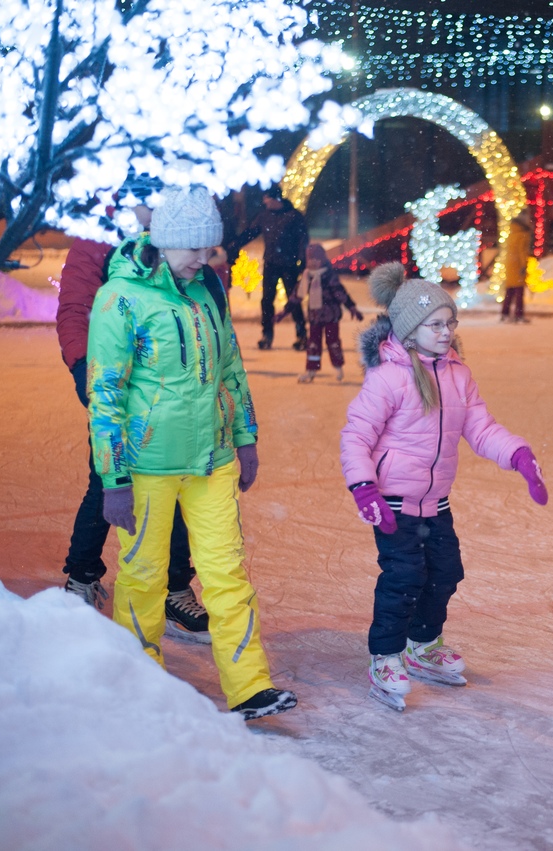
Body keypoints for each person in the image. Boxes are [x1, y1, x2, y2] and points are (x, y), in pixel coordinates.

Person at [87, 185, 296, 721]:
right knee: (143, 577)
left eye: (210, 249)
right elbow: (105, 392)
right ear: (166, 241)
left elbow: (230, 367)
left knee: (228, 574)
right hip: (148, 465)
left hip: (212, 460)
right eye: (196, 250)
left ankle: (249, 686)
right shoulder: (121, 298)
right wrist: (114, 480)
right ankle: (140, 689)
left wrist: (245, 437)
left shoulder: (206, 291)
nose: (206, 260)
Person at [340, 262, 549, 711]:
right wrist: (364, 487)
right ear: (411, 330)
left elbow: (481, 428)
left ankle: (422, 643)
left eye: (450, 322)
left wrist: (517, 455)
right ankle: (385, 655)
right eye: (436, 324)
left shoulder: (458, 375)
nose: (447, 331)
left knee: (446, 572)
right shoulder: (389, 377)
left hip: (435, 502)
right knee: (403, 578)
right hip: (394, 500)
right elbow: (357, 435)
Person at [55, 175, 210, 642]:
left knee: (178, 481)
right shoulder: (97, 236)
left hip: (174, 387)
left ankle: (174, 587)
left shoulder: (176, 236)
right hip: (116, 380)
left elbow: (196, 302)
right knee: (107, 475)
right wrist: (87, 370)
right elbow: (73, 309)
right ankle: (81, 576)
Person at [235, 185, 308, 350]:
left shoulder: (294, 216)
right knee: (267, 301)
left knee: (293, 300)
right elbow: (251, 232)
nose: (265, 202)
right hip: (271, 264)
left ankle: (301, 334)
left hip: (290, 265)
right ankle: (266, 334)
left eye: (267, 199)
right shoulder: (264, 216)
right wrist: (235, 245)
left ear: (276, 199)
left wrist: (303, 264)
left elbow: (303, 240)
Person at [292, 242, 363, 383]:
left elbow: (340, 293)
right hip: (315, 317)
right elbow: (297, 295)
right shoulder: (307, 277)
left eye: (316, 259)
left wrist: (352, 307)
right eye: (310, 259)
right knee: (313, 343)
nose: (313, 263)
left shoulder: (329, 276)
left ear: (322, 260)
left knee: (333, 342)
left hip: (331, 316)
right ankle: (311, 370)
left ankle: (338, 368)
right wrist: (284, 311)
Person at [499, 209, 533, 323]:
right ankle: (519, 315)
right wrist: (524, 266)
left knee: (510, 291)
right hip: (518, 265)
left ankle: (505, 314)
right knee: (519, 292)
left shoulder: (512, 233)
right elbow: (522, 252)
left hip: (510, 265)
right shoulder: (523, 234)